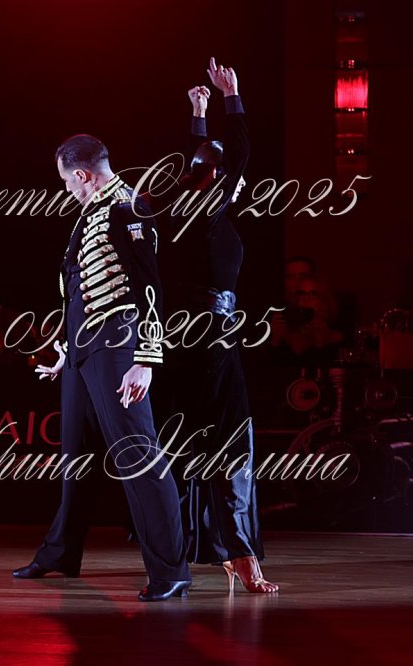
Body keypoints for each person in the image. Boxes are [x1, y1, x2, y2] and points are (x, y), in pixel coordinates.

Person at [12, 134, 190, 602]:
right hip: (84, 353)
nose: (66, 189)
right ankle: (61, 552)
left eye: (67, 181)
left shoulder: (129, 208)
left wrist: (145, 359)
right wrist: (68, 353)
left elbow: (149, 287)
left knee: (138, 455)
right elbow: (80, 288)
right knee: (77, 456)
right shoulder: (91, 211)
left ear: (83, 175)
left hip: (118, 348)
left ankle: (171, 569)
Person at [154, 59, 276, 593]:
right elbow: (232, 157)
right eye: (227, 176)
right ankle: (240, 554)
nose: (238, 180)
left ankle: (211, 550)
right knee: (230, 441)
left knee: (201, 441)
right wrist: (233, 98)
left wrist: (200, 117)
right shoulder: (202, 215)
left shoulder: (197, 213)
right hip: (209, 339)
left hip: (199, 337)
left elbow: (205, 161)